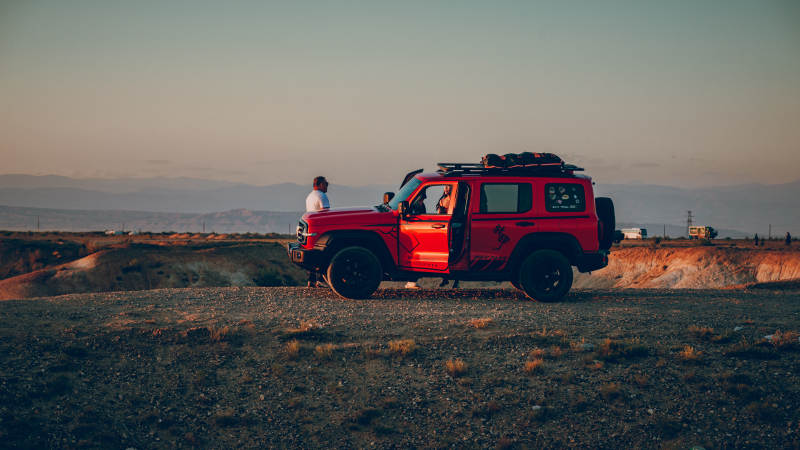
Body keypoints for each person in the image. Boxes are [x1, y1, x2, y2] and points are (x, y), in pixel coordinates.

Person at [305, 176, 330, 287]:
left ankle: (311, 280)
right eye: (326, 184)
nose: (327, 186)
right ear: (320, 185)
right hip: (321, 228)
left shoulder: (309, 196)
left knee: (313, 255)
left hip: (312, 228)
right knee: (323, 253)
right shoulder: (322, 196)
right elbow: (326, 214)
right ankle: (321, 280)